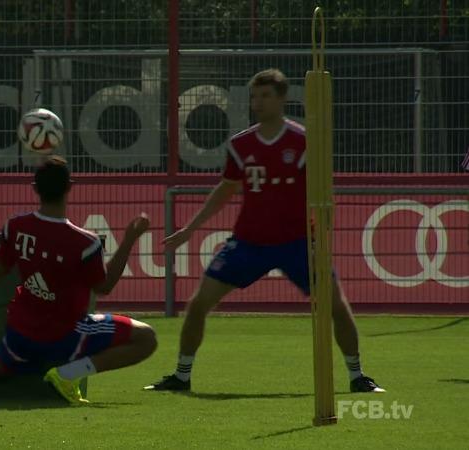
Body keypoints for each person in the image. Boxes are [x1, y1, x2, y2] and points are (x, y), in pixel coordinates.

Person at [144, 69, 384, 393]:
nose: (258, 103)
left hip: (297, 242)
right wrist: (190, 228)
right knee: (199, 303)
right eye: (254, 97)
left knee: (336, 305)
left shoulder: (303, 142)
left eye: (266, 96)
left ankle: (358, 376)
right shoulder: (241, 145)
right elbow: (225, 190)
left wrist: (323, 237)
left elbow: (324, 194)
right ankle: (181, 376)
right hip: (249, 242)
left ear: (283, 98)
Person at [0, 156, 157, 404]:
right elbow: (105, 286)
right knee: (146, 338)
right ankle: (68, 375)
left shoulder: (17, 227)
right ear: (70, 188)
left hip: (22, 335)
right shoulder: (85, 242)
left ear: (35, 189)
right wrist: (129, 239)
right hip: (66, 336)